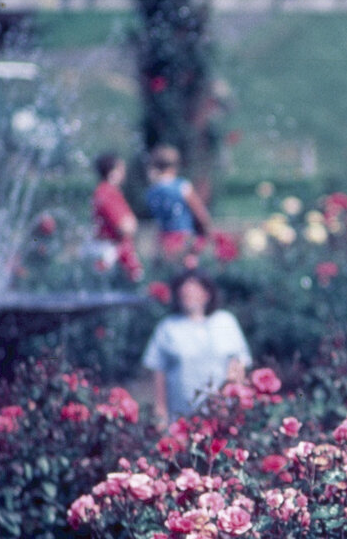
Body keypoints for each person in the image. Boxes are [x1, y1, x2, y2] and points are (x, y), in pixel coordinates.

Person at [140, 269, 251, 423]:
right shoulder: (168, 327)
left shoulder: (225, 321)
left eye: (194, 292)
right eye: (185, 293)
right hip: (182, 419)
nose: (188, 296)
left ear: (207, 295)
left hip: (222, 417)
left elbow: (238, 366)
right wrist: (161, 415)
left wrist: (232, 406)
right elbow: (159, 374)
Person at [145, 144, 212, 259]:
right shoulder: (182, 186)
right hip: (183, 238)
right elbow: (200, 214)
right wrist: (207, 233)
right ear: (175, 165)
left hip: (163, 240)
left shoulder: (152, 191)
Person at [87, 152, 140, 277]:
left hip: (107, 252)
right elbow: (125, 227)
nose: (124, 174)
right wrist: (132, 223)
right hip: (113, 254)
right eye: (121, 169)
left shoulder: (101, 191)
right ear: (112, 172)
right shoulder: (108, 193)